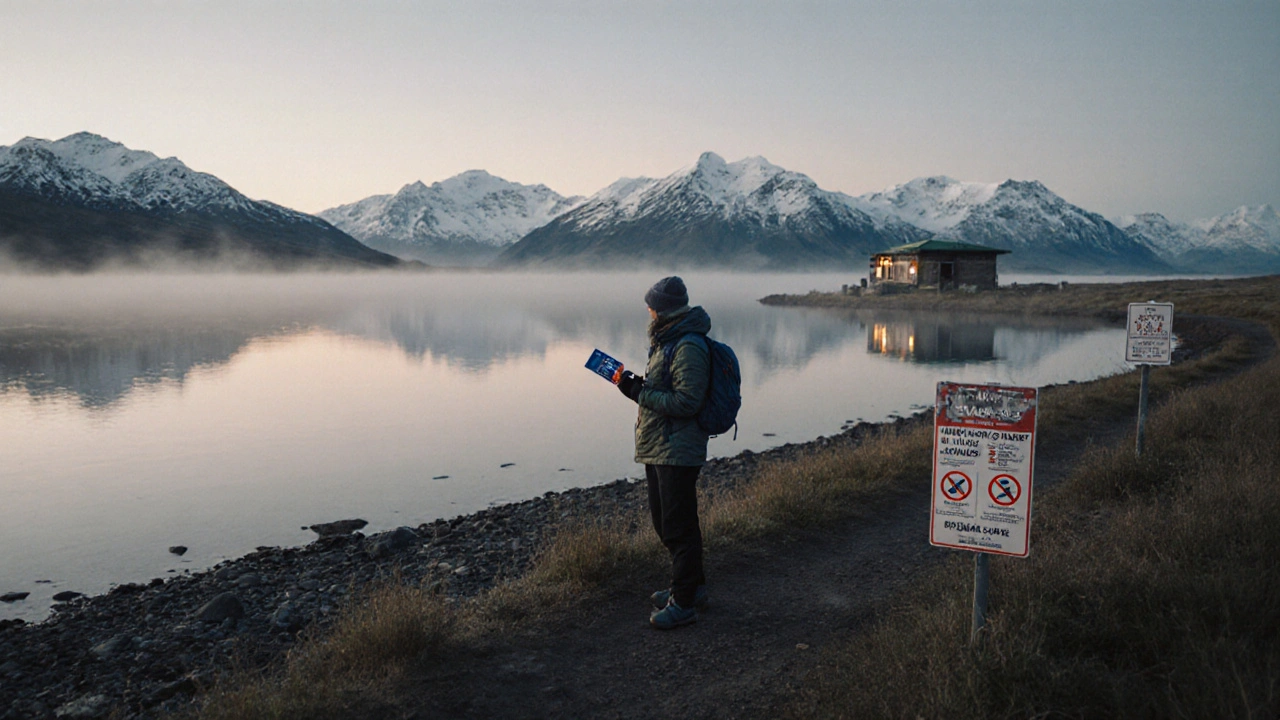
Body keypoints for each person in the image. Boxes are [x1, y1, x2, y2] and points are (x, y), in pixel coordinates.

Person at [617, 276, 712, 629]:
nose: (648, 311)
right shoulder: (667, 341)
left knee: (677, 527)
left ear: (663, 310)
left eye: (651, 306)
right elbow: (666, 389)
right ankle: (692, 588)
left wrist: (639, 393)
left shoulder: (688, 346)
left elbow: (687, 401)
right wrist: (636, 385)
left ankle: (683, 603)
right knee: (668, 522)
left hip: (677, 449)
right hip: (661, 445)